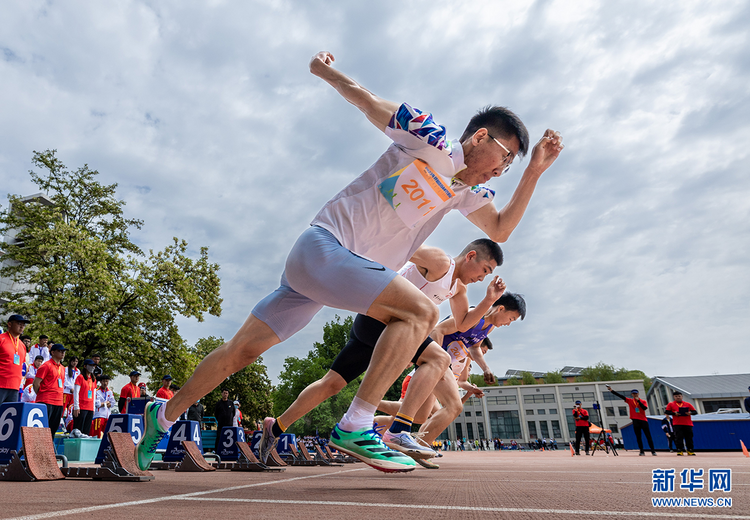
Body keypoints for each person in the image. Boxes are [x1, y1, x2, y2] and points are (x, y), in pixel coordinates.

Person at [135, 50, 563, 473]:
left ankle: (164, 416)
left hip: (328, 275)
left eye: (511, 167)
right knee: (419, 309)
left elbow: (501, 228)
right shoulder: (428, 136)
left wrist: (533, 173)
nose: (502, 170)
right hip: (324, 245)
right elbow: (365, 99)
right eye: (507, 158)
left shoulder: (470, 192)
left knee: (240, 352)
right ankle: (357, 424)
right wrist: (324, 70)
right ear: (482, 137)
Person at [259, 239, 505, 464]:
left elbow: (462, 323)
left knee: (331, 384)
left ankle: (276, 427)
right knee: (439, 358)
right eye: (484, 270)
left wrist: (488, 301)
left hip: (389, 329)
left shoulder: (458, 289)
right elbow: (399, 247)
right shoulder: (440, 262)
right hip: (380, 319)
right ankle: (399, 430)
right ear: (471, 256)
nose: (482, 278)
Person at [398, 292, 527, 466]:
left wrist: (485, 368)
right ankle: (417, 447)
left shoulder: (489, 327)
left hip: (439, 362)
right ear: (501, 309)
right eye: (511, 318)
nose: (508, 323)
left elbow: (474, 347)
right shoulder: (474, 316)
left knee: (421, 416)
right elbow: (438, 329)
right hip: (434, 360)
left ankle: (412, 445)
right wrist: (437, 360)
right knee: (454, 406)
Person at [605, 385, 656, 456]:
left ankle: (653, 451)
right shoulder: (630, 401)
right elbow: (621, 396)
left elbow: (644, 408)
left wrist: (639, 401)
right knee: (638, 436)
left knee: (648, 436)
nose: (635, 395)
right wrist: (611, 390)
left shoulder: (643, 401)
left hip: (643, 420)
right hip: (635, 420)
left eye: (636, 393)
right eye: (633, 394)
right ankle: (641, 451)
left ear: (638, 394)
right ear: (632, 394)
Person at [33, 343, 67, 439]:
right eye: (60, 351)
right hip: (46, 401)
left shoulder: (63, 368)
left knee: (53, 430)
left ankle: (48, 450)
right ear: (52, 352)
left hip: (59, 402)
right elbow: (36, 383)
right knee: (42, 429)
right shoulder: (46, 365)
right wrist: (42, 395)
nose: (62, 353)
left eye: (63, 351)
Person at [0, 314, 30, 404]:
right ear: (9, 324)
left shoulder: (22, 345)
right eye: (19, 323)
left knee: (9, 417)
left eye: (23, 324)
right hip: (1, 384)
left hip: (15, 387)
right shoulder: (1, 339)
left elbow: (22, 365)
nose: (22, 326)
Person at [665, 390, 697, 456]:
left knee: (689, 437)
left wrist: (690, 413)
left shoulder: (687, 404)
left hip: (687, 423)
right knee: (678, 437)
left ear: (682, 396)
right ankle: (680, 450)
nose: (678, 397)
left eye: (679, 396)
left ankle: (690, 450)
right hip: (677, 423)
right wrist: (674, 413)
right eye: (676, 396)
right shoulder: (671, 404)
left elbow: (695, 412)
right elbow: (667, 412)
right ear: (674, 397)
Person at [73, 359, 97, 435]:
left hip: (89, 407)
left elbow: (93, 394)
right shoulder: (80, 377)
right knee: (78, 430)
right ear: (85, 366)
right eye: (90, 366)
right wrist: (76, 407)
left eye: (94, 366)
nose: (92, 367)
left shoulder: (93, 379)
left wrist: (93, 408)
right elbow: (76, 392)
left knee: (86, 431)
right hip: (81, 407)